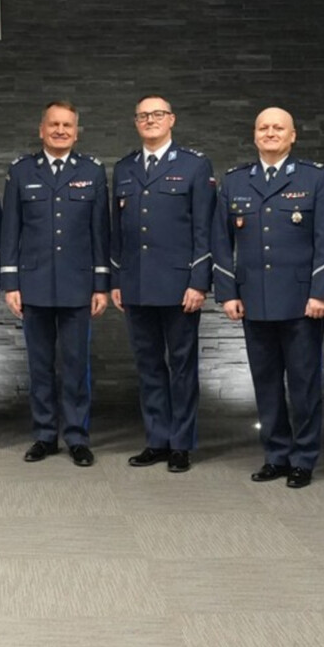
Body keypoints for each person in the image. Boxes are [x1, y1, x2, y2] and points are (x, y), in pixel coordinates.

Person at [214, 107, 324, 488]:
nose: (270, 133)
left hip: (302, 302)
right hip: (254, 299)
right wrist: (227, 293)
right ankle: (276, 454)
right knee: (265, 382)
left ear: (293, 135)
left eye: (278, 128)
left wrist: (322, 293)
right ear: (254, 134)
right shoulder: (236, 181)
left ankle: (303, 458)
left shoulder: (314, 178)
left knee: (303, 384)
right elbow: (220, 241)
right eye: (263, 128)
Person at [1, 101, 110, 467]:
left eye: (67, 125)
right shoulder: (21, 171)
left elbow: (100, 231)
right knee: (39, 365)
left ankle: (77, 436)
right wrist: (11, 283)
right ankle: (45, 435)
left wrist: (100, 285)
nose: (60, 130)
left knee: (77, 365)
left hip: (78, 284)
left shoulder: (92, 171)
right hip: (34, 283)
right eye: (54, 124)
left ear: (76, 132)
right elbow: (10, 230)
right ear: (41, 129)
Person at [109, 96, 214, 473]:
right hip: (136, 283)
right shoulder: (124, 168)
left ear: (172, 119)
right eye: (143, 115)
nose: (150, 120)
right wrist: (117, 278)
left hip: (179, 285)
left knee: (182, 366)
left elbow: (204, 229)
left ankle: (181, 443)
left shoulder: (194, 165)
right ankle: (157, 439)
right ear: (135, 122)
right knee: (148, 365)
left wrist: (199, 281)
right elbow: (117, 232)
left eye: (157, 114)